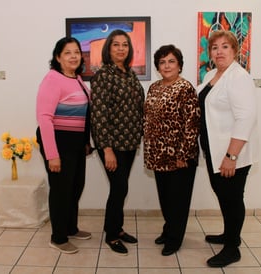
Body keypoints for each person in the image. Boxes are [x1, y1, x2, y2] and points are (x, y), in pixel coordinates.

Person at [196, 30, 258, 267]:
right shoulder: (213, 74)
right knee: (223, 194)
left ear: (234, 51)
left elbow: (246, 118)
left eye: (225, 47)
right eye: (214, 47)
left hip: (231, 152)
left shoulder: (239, 77)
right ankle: (228, 234)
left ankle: (232, 248)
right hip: (214, 150)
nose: (219, 51)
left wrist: (232, 156)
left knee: (232, 197)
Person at [36, 37, 93, 254]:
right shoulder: (52, 79)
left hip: (76, 143)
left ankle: (70, 228)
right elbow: (44, 118)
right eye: (67, 52)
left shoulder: (77, 79)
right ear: (58, 57)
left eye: (77, 52)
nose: (73, 56)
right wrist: (52, 154)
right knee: (61, 191)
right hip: (58, 142)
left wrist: (86, 142)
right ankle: (58, 237)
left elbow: (83, 115)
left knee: (75, 187)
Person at [90, 29, 144, 256]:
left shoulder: (129, 74)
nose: (121, 48)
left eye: (125, 44)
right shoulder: (103, 75)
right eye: (116, 45)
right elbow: (99, 116)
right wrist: (107, 150)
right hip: (112, 144)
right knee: (119, 188)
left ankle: (117, 229)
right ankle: (111, 235)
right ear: (108, 49)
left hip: (130, 143)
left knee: (120, 188)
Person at [143, 44, 200, 256]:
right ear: (158, 66)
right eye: (162, 62)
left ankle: (175, 239)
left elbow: (192, 124)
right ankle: (168, 230)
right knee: (165, 198)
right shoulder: (154, 87)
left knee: (178, 201)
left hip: (179, 157)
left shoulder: (185, 88)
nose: (166, 66)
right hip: (158, 155)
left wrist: (183, 155)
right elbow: (148, 119)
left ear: (179, 65)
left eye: (171, 61)